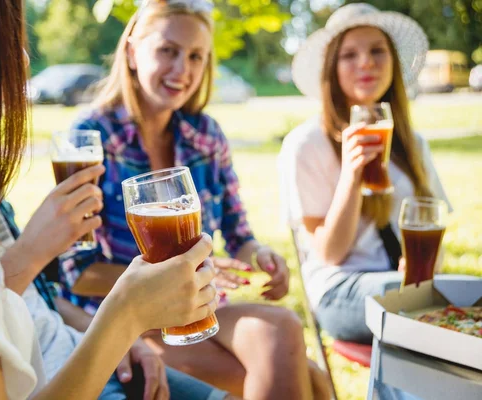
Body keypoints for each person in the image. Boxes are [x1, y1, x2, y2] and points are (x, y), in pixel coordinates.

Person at [0, 1, 222, 399]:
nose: (23, 59)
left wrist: (112, 332)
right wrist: (124, 316)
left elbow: (22, 308)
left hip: (73, 347)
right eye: (7, 37)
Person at [57, 1, 330, 399]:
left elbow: (238, 235)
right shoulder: (91, 138)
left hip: (199, 310)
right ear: (132, 52)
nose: (182, 69)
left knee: (283, 326)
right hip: (122, 318)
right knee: (311, 380)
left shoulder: (205, 135)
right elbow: (77, 272)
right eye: (168, 50)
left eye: (195, 56)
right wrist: (174, 277)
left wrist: (261, 255)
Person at [277, 3, 451, 344]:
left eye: (377, 51)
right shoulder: (306, 143)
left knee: (434, 300)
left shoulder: (412, 143)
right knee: (419, 307)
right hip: (340, 287)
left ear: (393, 63)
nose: (366, 62)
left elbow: (434, 221)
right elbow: (329, 254)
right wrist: (352, 176)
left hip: (404, 283)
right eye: (349, 55)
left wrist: (427, 267)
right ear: (331, 68)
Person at [0, 183, 229, 399]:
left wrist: (119, 338)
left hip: (77, 345)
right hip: (58, 378)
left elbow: (37, 299)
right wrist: (122, 320)